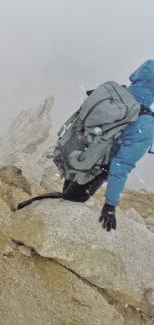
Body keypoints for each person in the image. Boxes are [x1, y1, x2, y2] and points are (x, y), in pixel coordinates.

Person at [18, 60, 154, 232]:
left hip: (76, 151)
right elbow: (121, 165)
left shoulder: (113, 92)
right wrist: (110, 205)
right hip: (95, 170)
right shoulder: (145, 123)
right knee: (70, 201)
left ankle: (30, 214)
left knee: (67, 196)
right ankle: (32, 224)